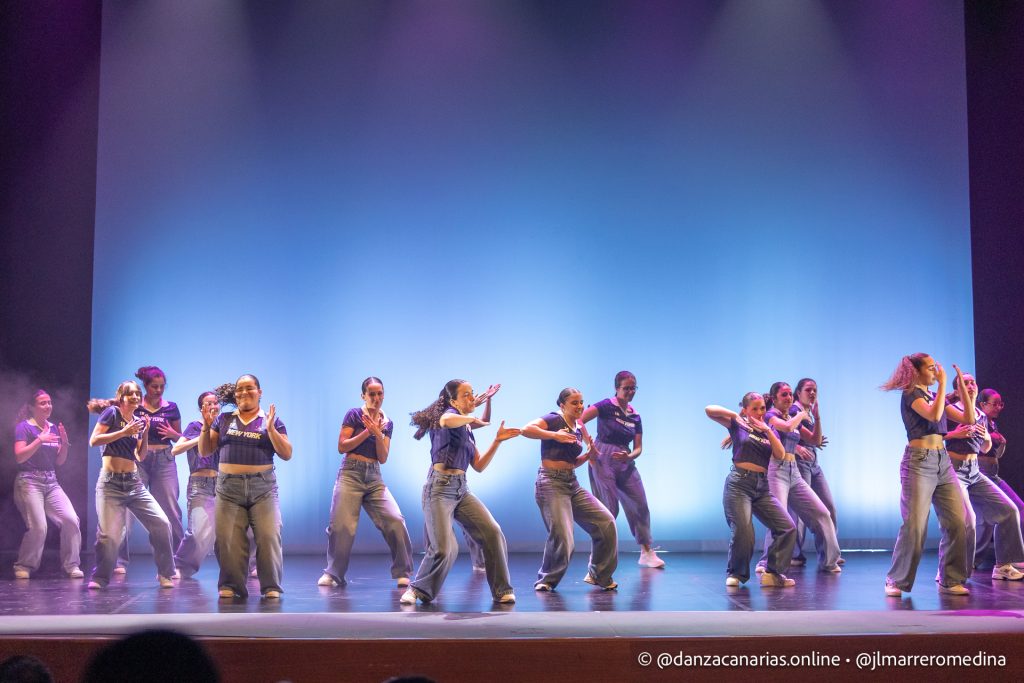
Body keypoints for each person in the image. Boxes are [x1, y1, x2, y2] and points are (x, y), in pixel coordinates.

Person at [401, 379, 519, 605]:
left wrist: (497, 441)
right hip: (439, 489)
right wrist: (473, 418)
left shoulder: (466, 429)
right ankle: (417, 590)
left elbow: (479, 465)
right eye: (466, 395)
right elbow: (447, 420)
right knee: (445, 548)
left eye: (473, 393)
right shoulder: (448, 416)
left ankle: (502, 590)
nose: (472, 397)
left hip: (461, 489)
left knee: (493, 532)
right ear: (453, 401)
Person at [881, 354, 969, 596]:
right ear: (917, 372)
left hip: (943, 461)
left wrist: (962, 388)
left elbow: (968, 418)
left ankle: (950, 579)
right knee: (915, 525)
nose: (935, 371)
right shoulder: (911, 394)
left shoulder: (932, 395)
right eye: (930, 368)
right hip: (919, 462)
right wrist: (943, 384)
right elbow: (934, 415)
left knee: (957, 522)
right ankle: (896, 579)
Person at [198, 374, 292, 599]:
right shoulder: (224, 419)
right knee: (228, 539)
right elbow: (205, 450)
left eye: (249, 388)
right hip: (228, 489)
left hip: (263, 488)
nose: (243, 393)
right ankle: (231, 584)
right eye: (239, 389)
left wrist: (271, 430)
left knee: (269, 535)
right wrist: (206, 426)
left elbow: (287, 453)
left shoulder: (272, 421)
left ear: (259, 392)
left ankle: (270, 586)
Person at [318, 377, 413, 588]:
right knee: (341, 527)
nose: (376, 398)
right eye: (372, 394)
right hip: (351, 474)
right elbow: (342, 446)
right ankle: (334, 573)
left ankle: (403, 571)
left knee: (395, 520)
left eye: (380, 393)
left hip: (374, 477)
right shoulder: (354, 414)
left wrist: (378, 433)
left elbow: (383, 457)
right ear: (363, 396)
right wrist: (367, 432)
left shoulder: (387, 422)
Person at [524, 388, 618, 591]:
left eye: (581, 402)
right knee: (563, 536)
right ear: (562, 405)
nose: (580, 406)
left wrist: (588, 455)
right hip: (551, 483)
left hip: (571, 483)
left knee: (606, 522)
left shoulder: (579, 426)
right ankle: (546, 580)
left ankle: (599, 574)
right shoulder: (554, 419)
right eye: (575, 403)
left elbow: (572, 463)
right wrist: (554, 435)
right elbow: (527, 429)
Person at [86, 381, 175, 588]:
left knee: (162, 523)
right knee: (110, 536)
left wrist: (145, 432)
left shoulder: (137, 422)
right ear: (121, 397)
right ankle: (100, 577)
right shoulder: (112, 413)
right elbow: (94, 440)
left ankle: (165, 573)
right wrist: (123, 432)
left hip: (134, 483)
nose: (135, 397)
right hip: (110, 483)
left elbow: (140, 456)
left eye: (137, 393)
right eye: (130, 393)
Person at [706, 393, 797, 588]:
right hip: (739, 484)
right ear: (745, 410)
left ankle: (773, 574)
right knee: (744, 531)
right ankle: (737, 573)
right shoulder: (738, 424)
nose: (759, 412)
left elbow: (780, 454)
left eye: (762, 408)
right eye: (754, 408)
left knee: (787, 527)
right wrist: (735, 415)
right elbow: (709, 410)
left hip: (762, 487)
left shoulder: (769, 429)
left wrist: (768, 430)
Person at [753, 382, 840, 574]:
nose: (788, 398)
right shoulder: (770, 416)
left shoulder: (792, 417)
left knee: (822, 513)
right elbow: (786, 428)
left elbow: (815, 440)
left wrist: (816, 417)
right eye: (784, 395)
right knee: (779, 517)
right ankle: (765, 562)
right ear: (774, 399)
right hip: (777, 471)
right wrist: (802, 414)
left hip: (794, 472)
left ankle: (829, 561)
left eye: (789, 394)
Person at [944, 373, 1024, 580]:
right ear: (957, 390)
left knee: (1009, 510)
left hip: (975, 470)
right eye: (965, 383)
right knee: (966, 521)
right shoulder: (950, 410)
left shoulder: (980, 414)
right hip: (954, 469)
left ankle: (1003, 565)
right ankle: (949, 572)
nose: (970, 385)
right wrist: (955, 434)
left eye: (973, 382)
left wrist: (987, 437)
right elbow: (933, 437)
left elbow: (985, 448)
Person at [580, 371, 664, 569]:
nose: (630, 392)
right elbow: (579, 420)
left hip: (624, 460)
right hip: (603, 457)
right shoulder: (606, 405)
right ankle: (598, 554)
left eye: (633, 388)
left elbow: (638, 448)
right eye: (626, 388)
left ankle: (646, 552)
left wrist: (630, 456)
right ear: (617, 388)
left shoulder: (635, 416)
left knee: (640, 504)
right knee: (608, 508)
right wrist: (589, 446)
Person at [11, 389, 82, 579]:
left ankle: (71, 565)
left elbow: (59, 461)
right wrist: (39, 440)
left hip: (51, 482)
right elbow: (19, 457)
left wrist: (64, 444)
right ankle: (24, 565)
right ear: (32, 407)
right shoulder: (24, 427)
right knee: (39, 527)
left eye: (49, 402)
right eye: (43, 403)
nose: (48, 406)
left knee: (71, 520)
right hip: (29, 481)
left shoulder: (53, 427)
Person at [130, 366, 184, 563]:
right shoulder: (136, 407)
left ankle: (176, 559)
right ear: (145, 386)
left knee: (170, 509)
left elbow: (180, 439)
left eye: (162, 386)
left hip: (164, 460)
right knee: (127, 506)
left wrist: (173, 434)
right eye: (154, 386)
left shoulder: (171, 408)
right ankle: (119, 560)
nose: (159, 390)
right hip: (139, 460)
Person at [790, 378, 841, 566]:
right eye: (808, 390)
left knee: (829, 506)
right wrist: (797, 447)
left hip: (813, 462)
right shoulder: (794, 411)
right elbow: (786, 434)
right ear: (798, 393)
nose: (812, 393)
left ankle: (830, 553)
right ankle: (795, 554)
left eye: (815, 390)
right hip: (800, 463)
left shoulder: (809, 412)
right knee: (802, 511)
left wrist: (817, 420)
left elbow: (816, 440)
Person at [974, 389, 1024, 569]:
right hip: (980, 472)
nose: (998, 407)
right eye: (994, 404)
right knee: (987, 520)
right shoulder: (977, 420)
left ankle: (1010, 556)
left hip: (993, 473)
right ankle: (973, 560)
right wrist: (989, 438)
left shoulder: (992, 424)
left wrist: (1002, 443)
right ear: (982, 404)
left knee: (1017, 508)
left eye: (1000, 404)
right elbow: (977, 447)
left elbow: (997, 454)